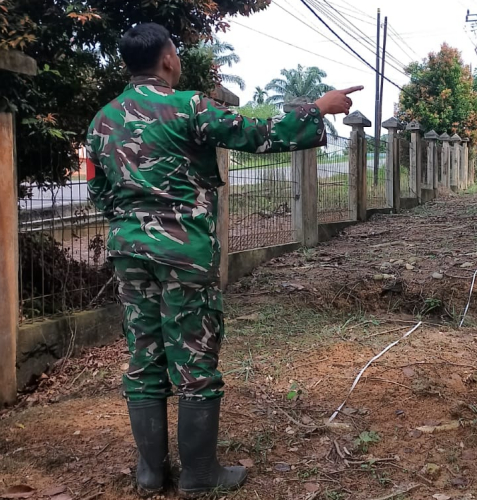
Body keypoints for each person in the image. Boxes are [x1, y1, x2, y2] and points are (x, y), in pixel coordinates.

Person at [85, 23, 361, 497]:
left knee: (144, 354)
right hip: (182, 253)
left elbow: (99, 192)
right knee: (194, 357)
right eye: (176, 52)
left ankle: (151, 474)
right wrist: (317, 110)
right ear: (168, 58)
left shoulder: (101, 121)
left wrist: (135, 222)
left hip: (128, 251)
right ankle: (198, 476)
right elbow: (255, 134)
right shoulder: (188, 105)